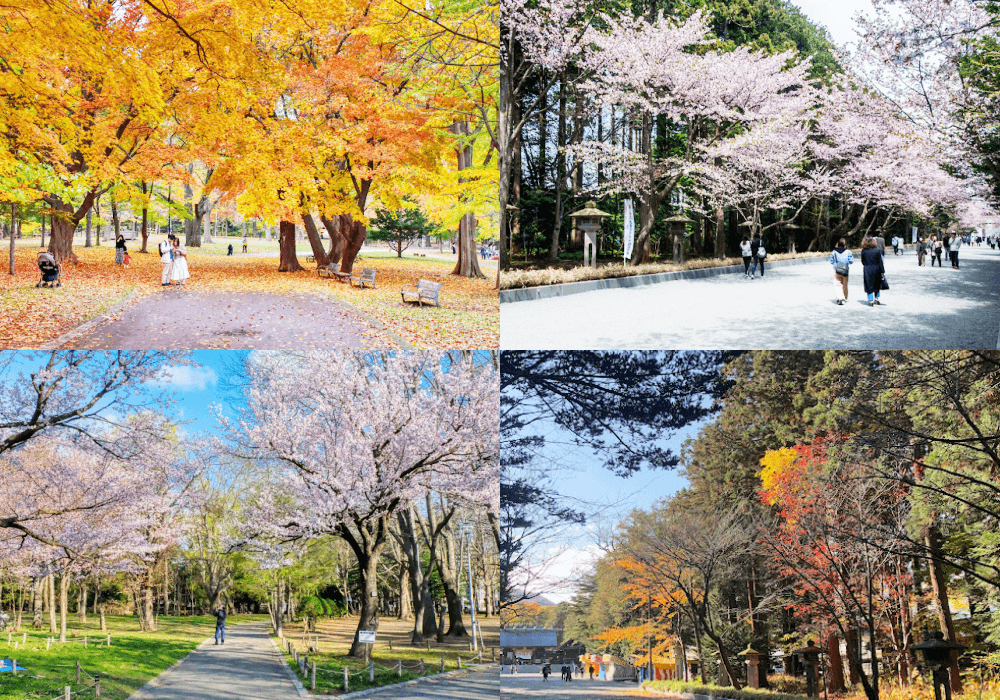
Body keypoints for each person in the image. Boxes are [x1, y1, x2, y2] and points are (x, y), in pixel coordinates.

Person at [861, 235, 885, 306]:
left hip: (867, 269)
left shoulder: (864, 251)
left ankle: (870, 300)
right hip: (876, 268)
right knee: (877, 284)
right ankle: (877, 299)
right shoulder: (877, 250)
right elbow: (880, 262)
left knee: (869, 284)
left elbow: (863, 261)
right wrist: (882, 271)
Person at [830, 238, 853, 305]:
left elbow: (831, 261)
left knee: (837, 284)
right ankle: (844, 298)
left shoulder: (834, 251)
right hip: (845, 270)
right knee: (845, 284)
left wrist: (835, 263)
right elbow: (851, 261)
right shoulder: (848, 252)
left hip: (836, 270)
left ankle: (840, 298)